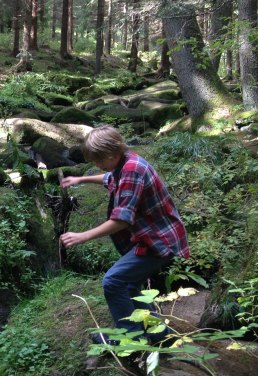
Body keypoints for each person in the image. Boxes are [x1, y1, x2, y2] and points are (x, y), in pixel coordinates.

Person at [59, 125, 189, 346]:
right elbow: (110, 177)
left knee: (114, 281)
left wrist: (83, 236)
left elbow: (122, 220)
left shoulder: (133, 170)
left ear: (112, 154)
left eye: (98, 161)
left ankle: (131, 339)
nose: (97, 165)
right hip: (154, 237)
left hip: (158, 241)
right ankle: (159, 335)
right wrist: (80, 180)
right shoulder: (125, 162)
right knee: (129, 285)